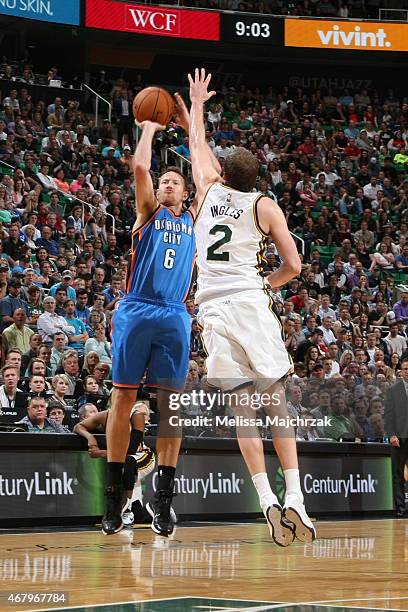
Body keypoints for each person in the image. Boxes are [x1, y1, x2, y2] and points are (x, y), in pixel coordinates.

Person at [187, 69, 315, 544]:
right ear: (255, 179)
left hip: (212, 310)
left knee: (243, 411)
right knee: (275, 403)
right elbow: (295, 266)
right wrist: (267, 283)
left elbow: (196, 141)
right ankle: (296, 497)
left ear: (223, 173)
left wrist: (198, 102)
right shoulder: (264, 206)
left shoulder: (205, 192)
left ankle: (264, 497)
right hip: (249, 303)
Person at [102, 113, 196, 536]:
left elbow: (213, 173)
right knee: (122, 400)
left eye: (174, 181)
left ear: (187, 191)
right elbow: (141, 167)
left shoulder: (195, 221)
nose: (166, 185)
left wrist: (194, 121)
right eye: (164, 182)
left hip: (175, 313)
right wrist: (151, 130)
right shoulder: (149, 213)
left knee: (171, 407)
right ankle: (114, 496)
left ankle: (164, 499)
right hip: (137, 310)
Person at [74, 403, 157, 526]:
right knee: (126, 474)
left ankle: (125, 509)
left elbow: (131, 451)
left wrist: (102, 453)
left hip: (142, 456)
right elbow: (78, 426)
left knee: (127, 463)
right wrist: (90, 437)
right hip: (124, 458)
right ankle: (140, 511)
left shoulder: (136, 417)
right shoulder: (106, 415)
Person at [384, 359, 408, 518]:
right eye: (405, 369)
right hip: (399, 437)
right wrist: (391, 434)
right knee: (398, 474)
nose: (407, 371)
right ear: (400, 371)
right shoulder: (394, 390)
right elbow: (388, 415)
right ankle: (400, 508)